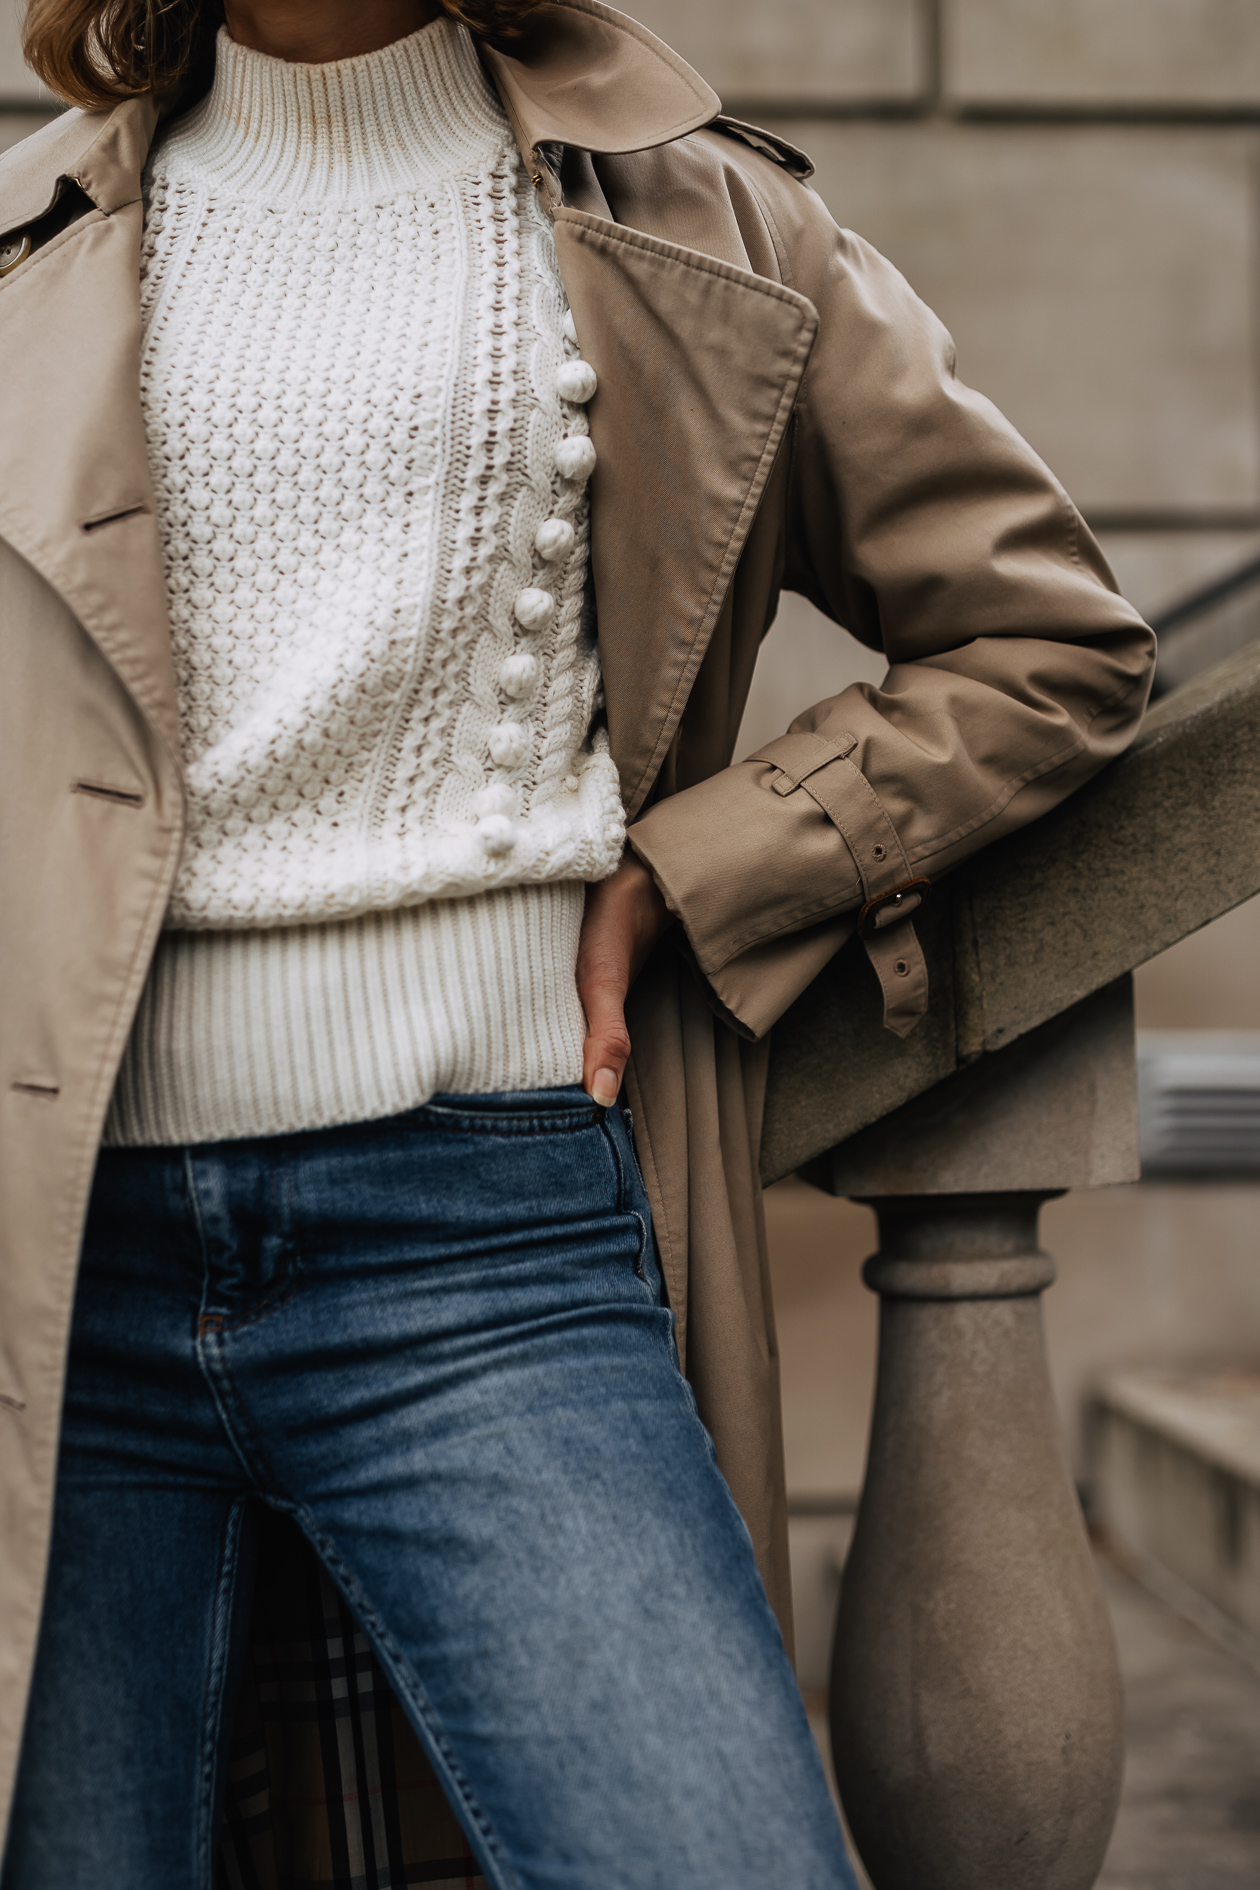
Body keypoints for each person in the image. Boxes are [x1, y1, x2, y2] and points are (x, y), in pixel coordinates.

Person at [0, 0, 1155, 1883]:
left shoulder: (700, 220)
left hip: (484, 1249)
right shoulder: (26, 238)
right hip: (56, 1270)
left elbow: (1053, 645)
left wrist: (710, 864)